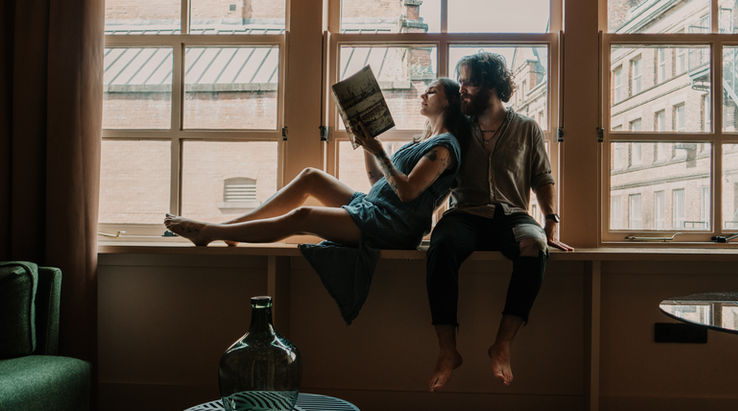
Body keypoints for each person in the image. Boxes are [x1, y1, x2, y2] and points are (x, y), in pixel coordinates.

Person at [165, 79, 468, 323]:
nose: (423, 94)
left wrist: (379, 150)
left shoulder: (444, 148)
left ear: (450, 101)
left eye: (433, 91)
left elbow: (407, 192)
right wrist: (365, 143)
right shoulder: (423, 140)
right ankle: (229, 228)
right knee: (311, 176)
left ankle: (212, 233)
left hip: (393, 225)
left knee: (305, 215)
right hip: (376, 206)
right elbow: (379, 183)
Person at [425, 52, 574, 392]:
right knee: (442, 244)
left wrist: (551, 226)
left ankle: (502, 344)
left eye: (469, 83)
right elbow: (428, 175)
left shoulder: (526, 128)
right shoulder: (453, 129)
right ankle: (448, 350)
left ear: (492, 86)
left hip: (512, 216)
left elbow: (543, 178)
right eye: (459, 82)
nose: (461, 89)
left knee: (533, 246)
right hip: (464, 215)